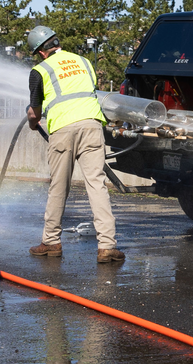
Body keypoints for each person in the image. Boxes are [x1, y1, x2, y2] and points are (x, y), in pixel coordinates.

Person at [24, 24, 121, 264]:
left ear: (40, 52)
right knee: (96, 184)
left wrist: (32, 122)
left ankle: (51, 242)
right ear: (56, 42)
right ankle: (107, 246)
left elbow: (35, 112)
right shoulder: (84, 62)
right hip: (92, 125)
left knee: (59, 186)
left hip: (63, 129)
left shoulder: (40, 70)